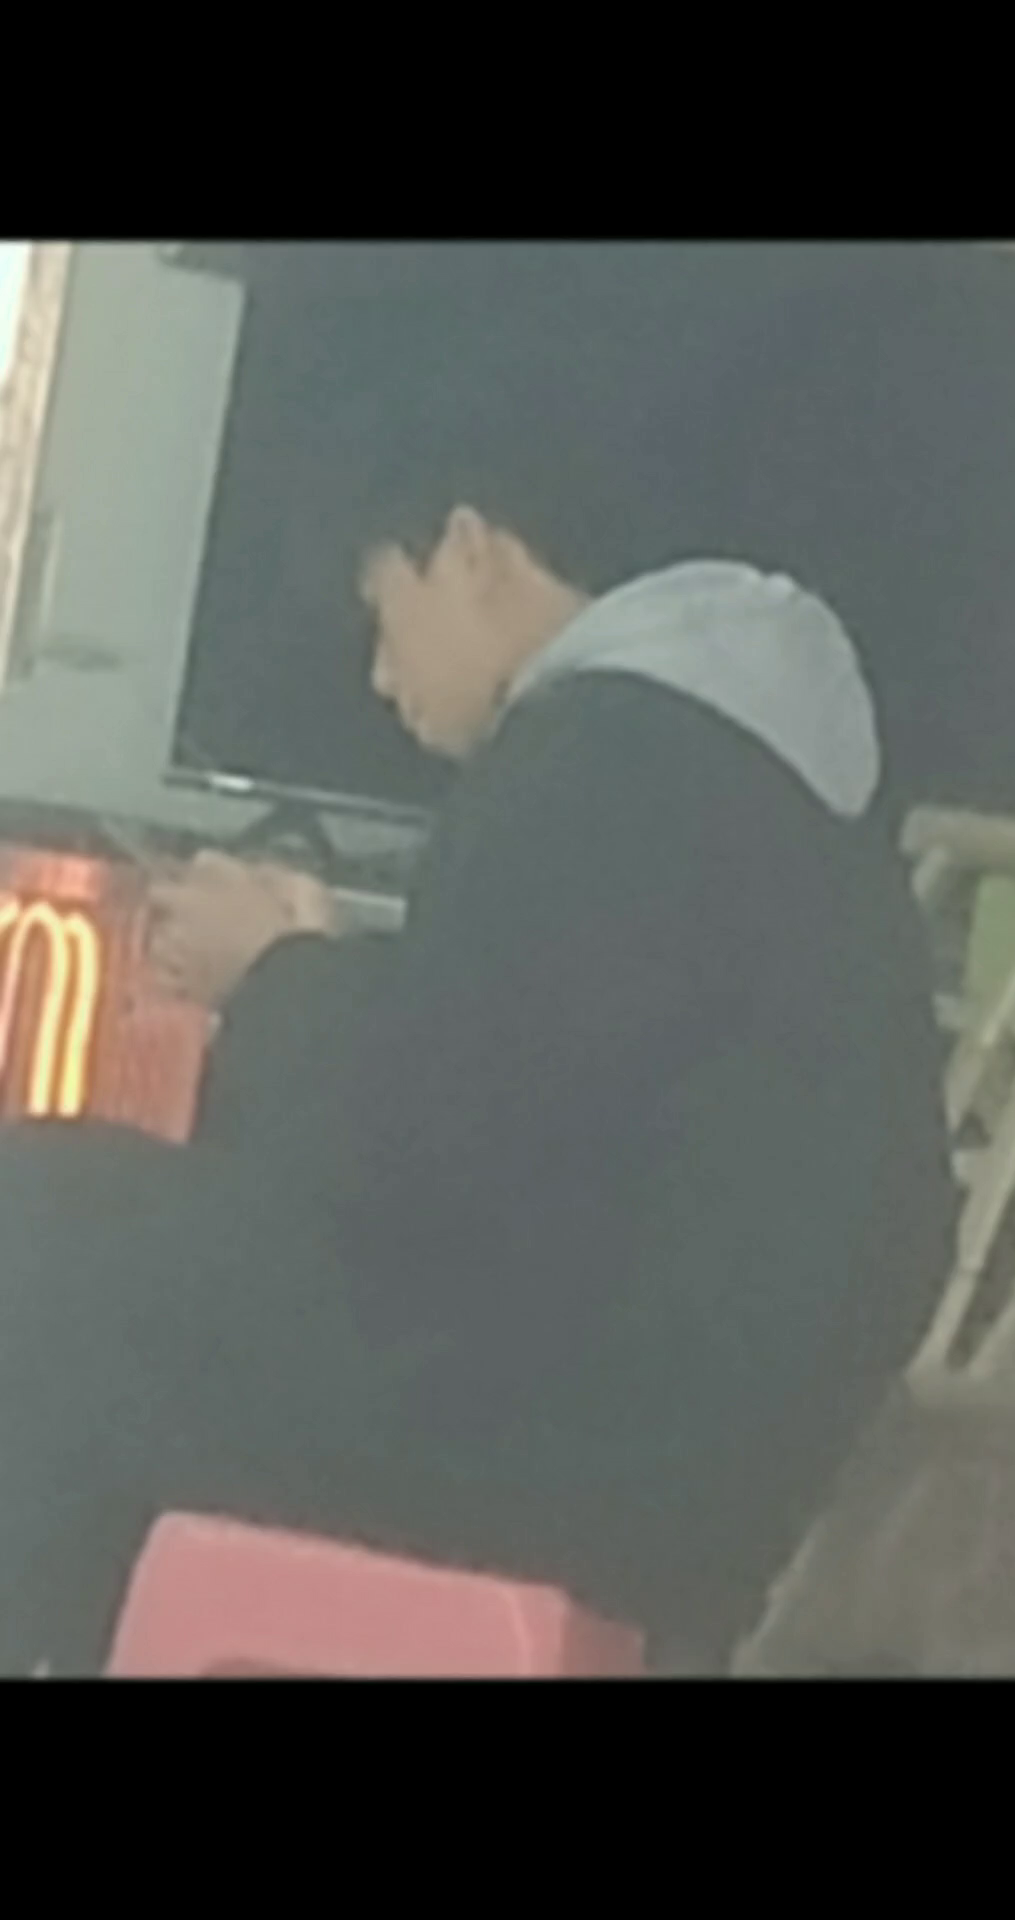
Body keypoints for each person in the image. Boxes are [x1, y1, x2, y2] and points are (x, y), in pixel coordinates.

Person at [0, 284, 954, 1673]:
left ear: (470, 549)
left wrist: (276, 973)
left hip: (570, 1448)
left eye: (384, 617)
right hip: (693, 1455)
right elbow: (528, 1095)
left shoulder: (599, 761)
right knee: (95, 1262)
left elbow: (414, 1156)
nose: (383, 679)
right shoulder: (754, 770)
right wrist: (329, 975)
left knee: (40, 1228)